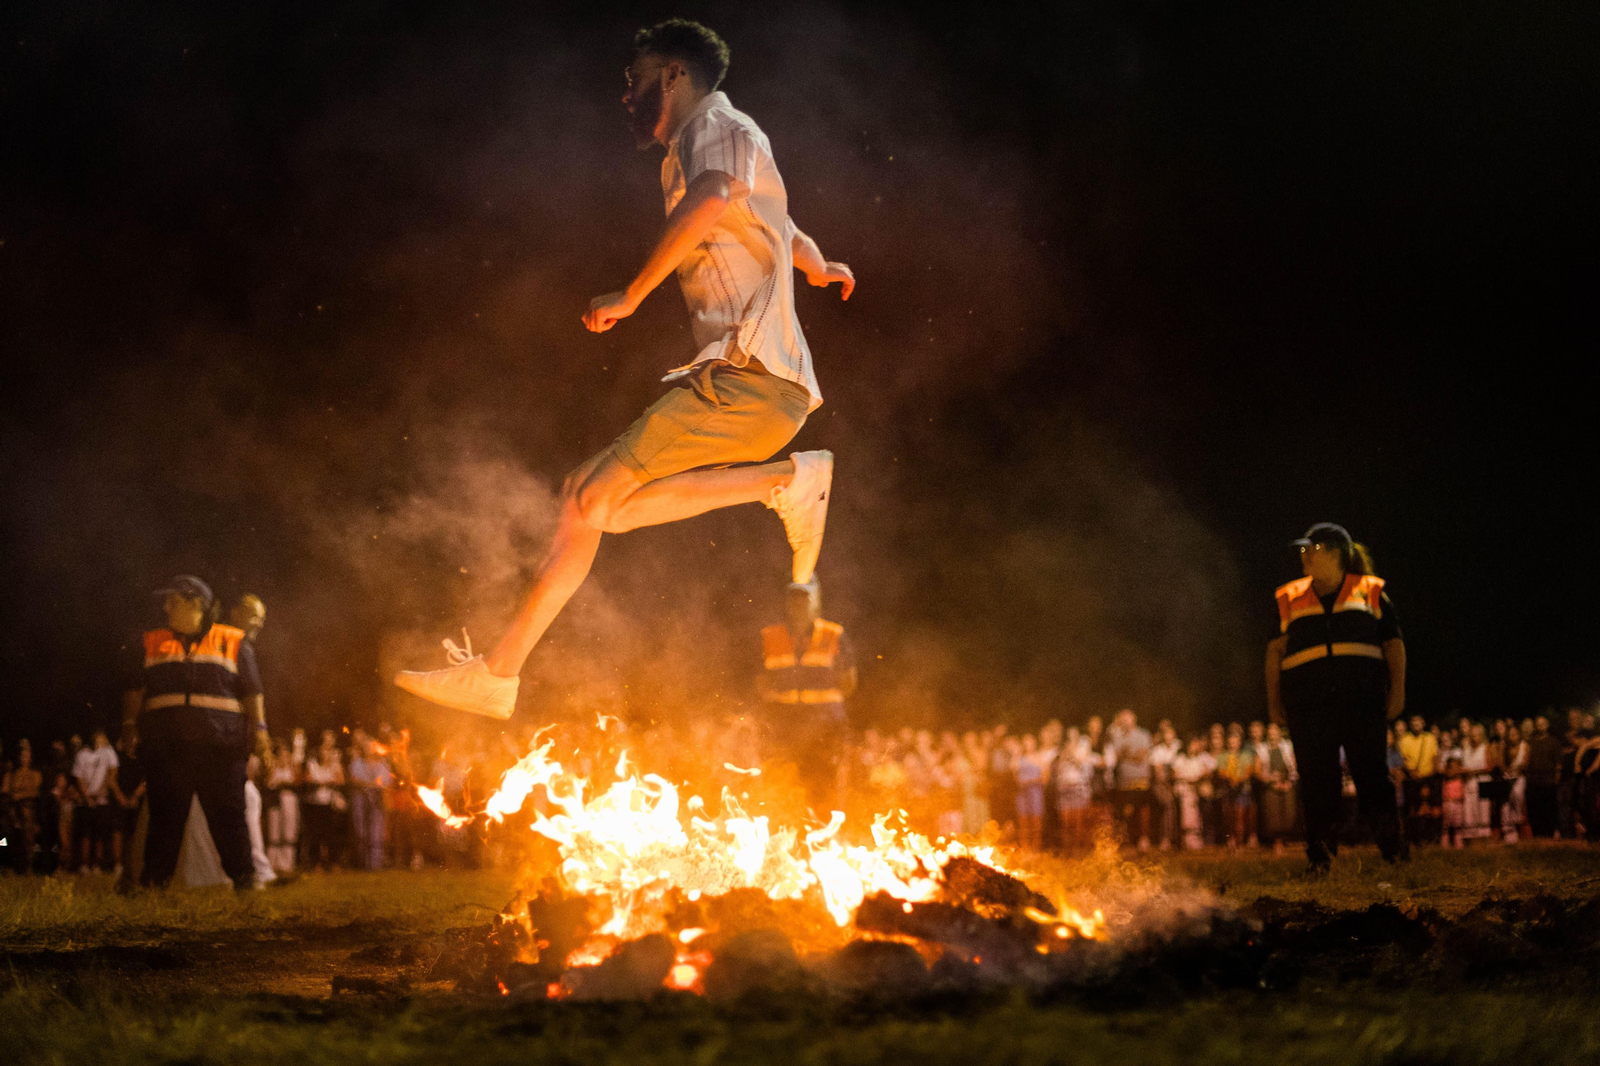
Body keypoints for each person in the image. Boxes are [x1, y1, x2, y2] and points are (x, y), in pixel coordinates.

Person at [395, 19, 855, 720]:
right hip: (748, 386)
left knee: (588, 504)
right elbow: (776, 220)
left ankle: (787, 480)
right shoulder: (694, 152)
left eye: (633, 79)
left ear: (673, 75)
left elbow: (717, 201)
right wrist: (816, 264)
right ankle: (499, 673)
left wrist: (632, 294)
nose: (624, 95)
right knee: (588, 498)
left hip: (750, 381)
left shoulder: (716, 124)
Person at [1265, 523, 1407, 871]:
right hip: (1308, 706)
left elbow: (1393, 644)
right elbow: (1274, 653)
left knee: (1372, 776)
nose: (1304, 557)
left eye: (1310, 549)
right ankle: (1321, 856)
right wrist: (1274, 702)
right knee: (1316, 782)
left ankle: (1393, 851)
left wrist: (1398, 690)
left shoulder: (1370, 592)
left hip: (1361, 701)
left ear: (1334, 554)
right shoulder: (1290, 596)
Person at [124, 576, 269, 889]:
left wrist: (260, 731)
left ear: (195, 604)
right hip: (168, 748)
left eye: (172, 601)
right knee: (165, 819)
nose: (165, 607)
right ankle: (153, 884)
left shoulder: (232, 641)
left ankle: (245, 880)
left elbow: (252, 691)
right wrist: (129, 726)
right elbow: (135, 689)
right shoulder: (153, 641)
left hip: (221, 748)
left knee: (229, 818)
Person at [754, 578, 857, 807]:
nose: (798, 604)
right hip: (782, 730)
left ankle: (822, 842)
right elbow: (759, 683)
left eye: (804, 597)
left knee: (823, 795)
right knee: (779, 795)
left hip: (824, 732)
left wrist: (820, 707)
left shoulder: (834, 635)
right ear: (786, 601)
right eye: (793, 597)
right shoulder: (769, 636)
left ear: (816, 601)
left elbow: (849, 682)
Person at [71, 730, 118, 872]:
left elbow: (113, 771)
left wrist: (102, 790)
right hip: (86, 801)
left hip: (102, 800)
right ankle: (84, 864)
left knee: (99, 835)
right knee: (85, 834)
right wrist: (87, 797)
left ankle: (97, 864)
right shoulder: (82, 754)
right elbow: (79, 778)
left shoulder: (108, 752)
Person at [1109, 710, 1153, 850]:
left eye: (1127, 719)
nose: (1124, 721)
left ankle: (1143, 838)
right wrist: (1128, 754)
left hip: (1140, 779)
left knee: (1141, 809)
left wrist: (1125, 754)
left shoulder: (1143, 735)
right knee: (1125, 811)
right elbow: (1116, 755)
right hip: (1124, 781)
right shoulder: (1117, 736)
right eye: (1122, 719)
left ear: (1134, 719)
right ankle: (1127, 840)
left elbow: (1141, 756)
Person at [3, 741, 43, 872]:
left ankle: (29, 866)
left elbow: (35, 792)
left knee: (29, 838)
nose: (23, 759)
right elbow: (5, 790)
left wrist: (20, 795)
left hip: (29, 810)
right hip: (13, 812)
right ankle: (12, 865)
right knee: (12, 838)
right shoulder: (11, 774)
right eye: (21, 756)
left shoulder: (35, 774)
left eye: (26, 756)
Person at [1525, 714, 1562, 837]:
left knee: (1548, 810)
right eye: (1538, 724)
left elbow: (1558, 763)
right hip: (1533, 781)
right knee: (1535, 810)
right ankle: (1537, 835)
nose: (1540, 726)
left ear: (1547, 725)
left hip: (1548, 781)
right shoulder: (1531, 742)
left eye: (1543, 724)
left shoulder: (1553, 742)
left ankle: (1548, 835)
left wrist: (1556, 779)